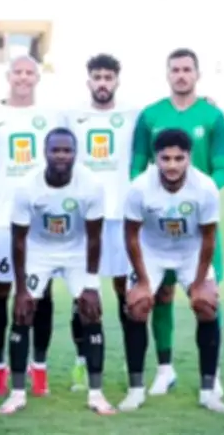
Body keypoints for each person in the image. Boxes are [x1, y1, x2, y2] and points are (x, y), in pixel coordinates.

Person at [0, 55, 65, 396]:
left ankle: (39, 367)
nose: (23, 77)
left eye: (29, 72)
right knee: (0, 291)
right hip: (1, 219)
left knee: (41, 292)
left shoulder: (52, 116)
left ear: (38, 78)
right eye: (17, 72)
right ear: (8, 76)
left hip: (41, 219)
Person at [130, 48, 224, 396]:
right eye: (175, 69)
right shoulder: (150, 115)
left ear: (197, 74)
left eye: (187, 69)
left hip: (198, 224)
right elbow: (137, 166)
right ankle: (164, 369)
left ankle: (213, 373)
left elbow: (222, 168)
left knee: (208, 297)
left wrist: (196, 197)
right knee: (159, 295)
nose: (181, 75)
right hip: (158, 225)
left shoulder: (213, 116)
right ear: (167, 74)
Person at [0, 128, 115, 415]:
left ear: (75, 153)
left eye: (67, 150)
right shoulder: (27, 187)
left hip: (77, 252)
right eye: (55, 150)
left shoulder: (91, 185)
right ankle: (17, 393)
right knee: (22, 313)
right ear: (45, 153)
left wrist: (91, 284)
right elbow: (18, 239)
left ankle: (96, 394)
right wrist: (22, 289)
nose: (61, 156)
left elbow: (95, 237)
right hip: (39, 251)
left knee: (91, 313)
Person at [119, 129, 224, 413]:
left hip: (190, 253)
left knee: (206, 306)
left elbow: (209, 238)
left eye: (179, 158)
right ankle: (135, 390)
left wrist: (200, 282)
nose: (172, 165)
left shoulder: (205, 188)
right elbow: (131, 236)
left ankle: (208, 390)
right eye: (165, 158)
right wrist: (143, 282)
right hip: (151, 252)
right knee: (137, 306)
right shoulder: (139, 188)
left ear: (189, 157)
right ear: (155, 158)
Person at [61, 53, 140, 390]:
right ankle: (82, 363)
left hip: (121, 217)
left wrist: (205, 100)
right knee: (82, 292)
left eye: (108, 77)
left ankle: (130, 361)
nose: (103, 83)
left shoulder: (134, 115)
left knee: (125, 291)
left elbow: (168, 122)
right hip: (83, 217)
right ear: (88, 81)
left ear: (117, 81)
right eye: (97, 77)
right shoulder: (72, 115)